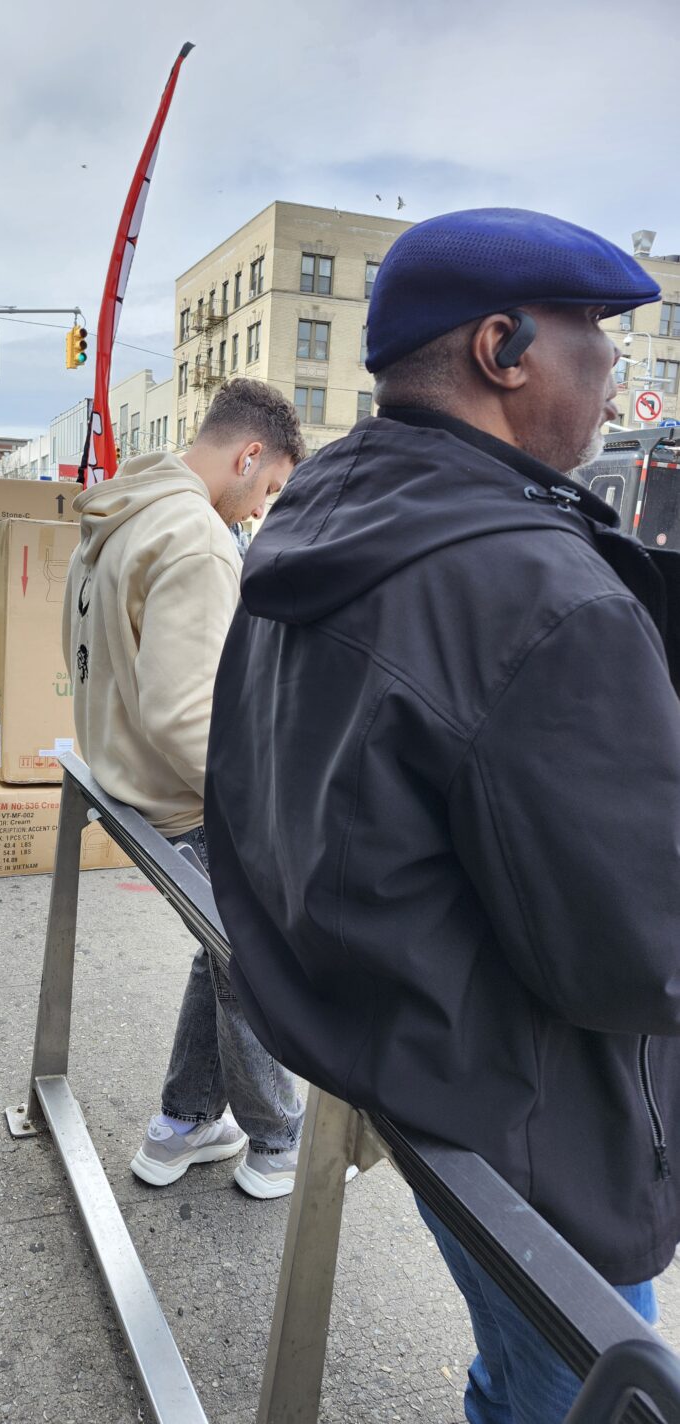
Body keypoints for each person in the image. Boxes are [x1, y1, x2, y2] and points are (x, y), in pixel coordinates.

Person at [203, 208, 676, 1421]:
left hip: (405, 1050)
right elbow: (644, 948)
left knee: (515, 1365)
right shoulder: (541, 591)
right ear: (502, 346)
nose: (613, 368)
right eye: (597, 334)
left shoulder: (323, 514)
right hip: (535, 1126)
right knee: (577, 1384)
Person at [62, 378, 311, 1199]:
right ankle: (276, 1136)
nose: (261, 507)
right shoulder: (198, 538)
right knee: (255, 957)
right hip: (184, 798)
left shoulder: (120, 513)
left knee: (222, 950)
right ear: (249, 455)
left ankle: (185, 1120)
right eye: (270, 486)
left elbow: (84, 655)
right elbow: (186, 715)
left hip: (122, 777)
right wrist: (263, 804)